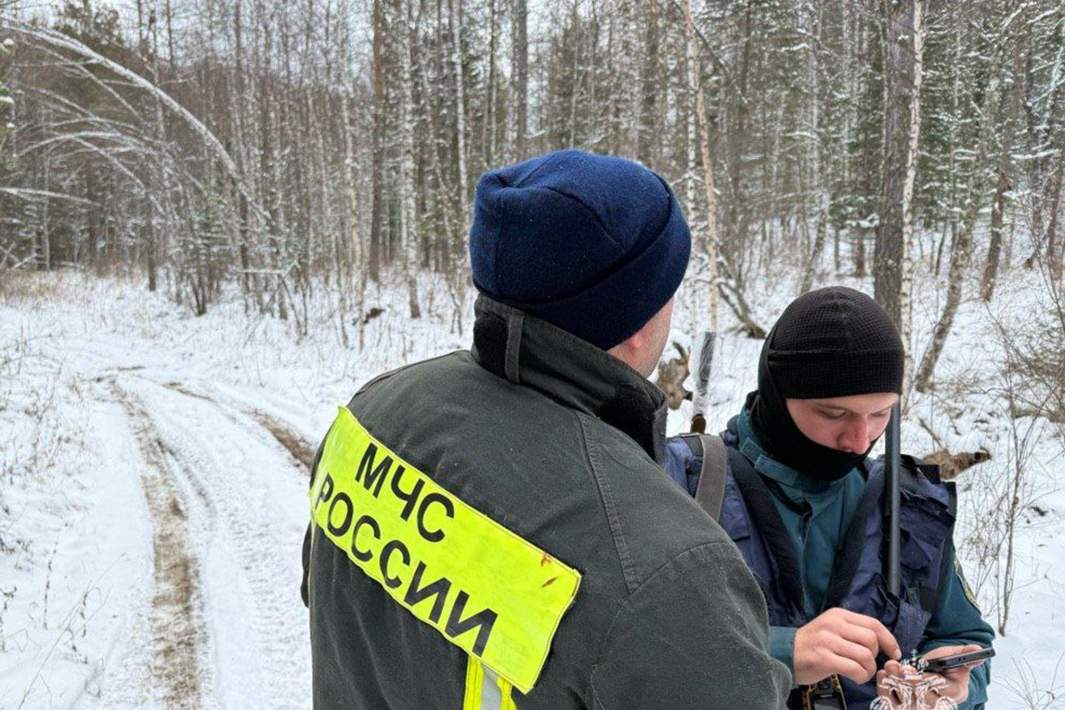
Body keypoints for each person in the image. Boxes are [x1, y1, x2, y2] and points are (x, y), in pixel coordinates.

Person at [300, 149, 791, 710]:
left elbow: (333, 601)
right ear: (635, 318)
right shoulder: (670, 572)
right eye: (669, 286)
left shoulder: (373, 411)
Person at [667, 287, 994, 710]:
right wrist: (780, 652)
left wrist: (951, 686)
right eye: (833, 414)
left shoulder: (910, 512)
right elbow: (617, 648)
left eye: (880, 414)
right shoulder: (679, 484)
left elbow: (965, 642)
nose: (859, 441)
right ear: (777, 394)